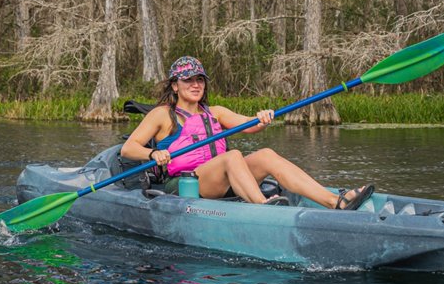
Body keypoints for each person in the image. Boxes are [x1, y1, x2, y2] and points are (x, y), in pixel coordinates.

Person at [120, 55, 373, 210]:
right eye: (188, 80)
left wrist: (262, 119)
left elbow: (250, 124)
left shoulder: (215, 112)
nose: (195, 84)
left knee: (266, 155)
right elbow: (129, 149)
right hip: (187, 184)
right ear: (175, 85)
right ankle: (262, 208)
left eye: (200, 79)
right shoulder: (162, 114)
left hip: (224, 180)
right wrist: (154, 153)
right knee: (233, 156)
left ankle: (334, 201)